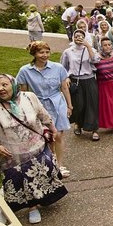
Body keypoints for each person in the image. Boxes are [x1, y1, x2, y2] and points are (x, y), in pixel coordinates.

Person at [0, 74, 67, 224]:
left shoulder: (29, 97)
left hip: (38, 147)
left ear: (13, 85)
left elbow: (42, 114)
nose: (0, 88)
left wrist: (52, 129)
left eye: (4, 84)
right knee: (21, 181)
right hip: (12, 155)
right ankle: (32, 207)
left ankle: (43, 199)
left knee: (44, 173)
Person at [16, 41, 72, 178]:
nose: (45, 55)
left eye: (47, 52)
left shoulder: (58, 68)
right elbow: (24, 93)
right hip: (38, 106)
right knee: (46, 138)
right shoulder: (25, 71)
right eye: (41, 52)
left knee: (58, 135)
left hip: (57, 103)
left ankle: (59, 165)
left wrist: (69, 105)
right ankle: (48, 163)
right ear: (34, 54)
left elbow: (64, 87)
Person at [61, 29, 100, 141]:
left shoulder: (89, 49)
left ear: (84, 37)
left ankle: (94, 129)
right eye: (76, 36)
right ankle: (78, 124)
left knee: (92, 104)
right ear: (73, 37)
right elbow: (63, 68)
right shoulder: (68, 51)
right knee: (79, 105)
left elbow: (96, 60)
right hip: (75, 80)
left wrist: (88, 46)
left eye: (81, 36)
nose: (78, 38)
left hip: (89, 79)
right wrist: (67, 77)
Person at [94, 37, 113, 136]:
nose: (108, 47)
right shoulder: (97, 58)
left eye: (109, 44)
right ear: (101, 46)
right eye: (105, 45)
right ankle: (112, 124)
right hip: (104, 85)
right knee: (109, 107)